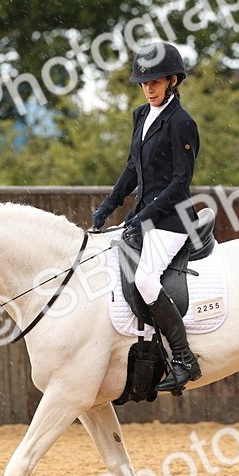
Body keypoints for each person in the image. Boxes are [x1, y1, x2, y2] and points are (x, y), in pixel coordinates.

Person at [92, 42, 201, 392]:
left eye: (156, 82)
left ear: (172, 81)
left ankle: (184, 359)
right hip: (145, 214)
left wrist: (147, 217)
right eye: (144, 82)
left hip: (172, 220)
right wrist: (109, 205)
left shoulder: (182, 122)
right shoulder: (141, 115)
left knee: (145, 280)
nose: (149, 88)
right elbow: (132, 168)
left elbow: (180, 182)